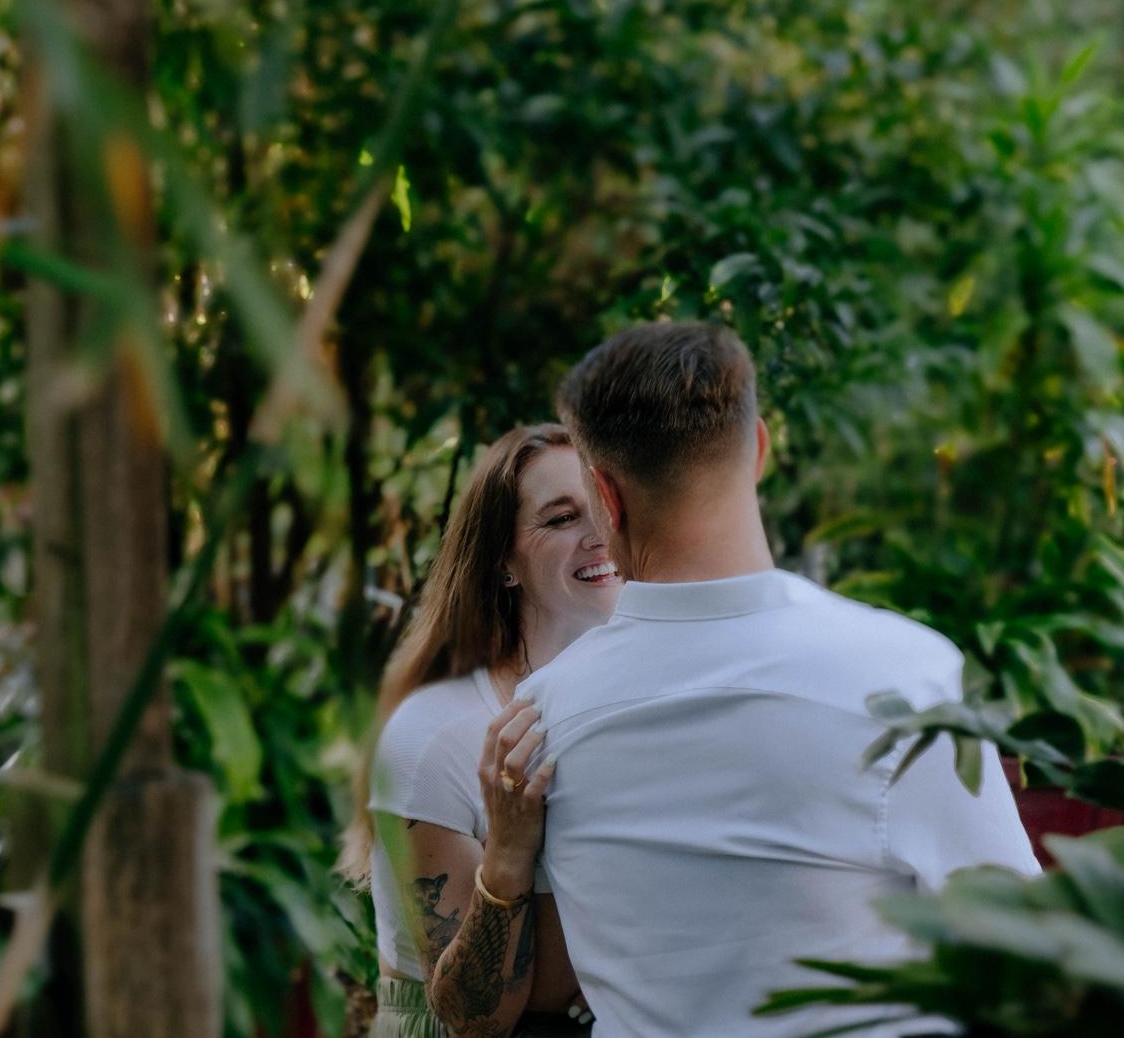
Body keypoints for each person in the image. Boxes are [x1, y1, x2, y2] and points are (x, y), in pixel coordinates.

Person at [509, 322, 1040, 1037]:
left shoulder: (542, 714)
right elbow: (1020, 948)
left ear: (606, 493)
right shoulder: (904, 673)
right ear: (758, 449)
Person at [341, 424, 621, 1037]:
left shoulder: (626, 696)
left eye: (604, 505)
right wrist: (510, 849)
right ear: (504, 565)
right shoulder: (435, 737)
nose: (599, 533)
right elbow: (477, 1018)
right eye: (561, 518)